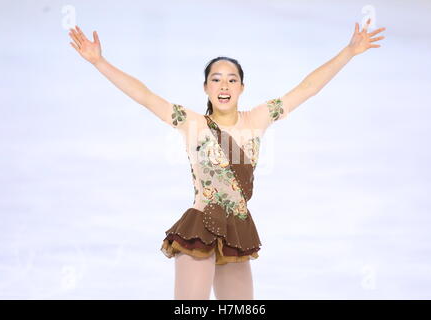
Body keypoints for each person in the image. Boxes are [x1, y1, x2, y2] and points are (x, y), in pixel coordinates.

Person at [68, 18, 385, 300]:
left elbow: (307, 88)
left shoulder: (258, 119)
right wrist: (100, 62)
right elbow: (145, 96)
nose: (224, 85)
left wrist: (348, 52)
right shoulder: (192, 123)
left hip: (238, 232)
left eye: (231, 79)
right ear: (206, 87)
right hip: (199, 229)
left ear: (242, 87)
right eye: (216, 79)